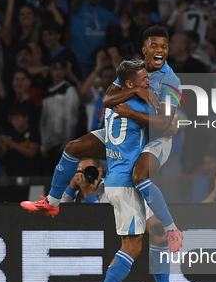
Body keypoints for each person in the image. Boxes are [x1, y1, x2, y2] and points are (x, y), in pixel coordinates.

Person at [21, 25, 183, 251]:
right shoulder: (133, 70)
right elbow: (108, 99)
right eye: (154, 45)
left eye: (164, 47)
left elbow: (166, 124)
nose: (159, 50)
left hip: (153, 138)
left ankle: (169, 228)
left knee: (139, 176)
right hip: (123, 132)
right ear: (144, 49)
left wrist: (131, 111)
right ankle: (52, 203)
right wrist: (136, 91)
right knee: (74, 147)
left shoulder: (171, 80)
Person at [88, 59, 197, 282]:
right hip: (124, 184)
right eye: (143, 79)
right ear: (129, 85)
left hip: (122, 181)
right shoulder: (135, 104)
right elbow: (170, 126)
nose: (148, 82)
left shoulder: (115, 102)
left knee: (156, 232)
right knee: (132, 245)